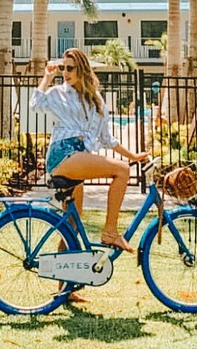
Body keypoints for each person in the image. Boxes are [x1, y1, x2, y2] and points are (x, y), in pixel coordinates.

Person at [30, 48, 149, 254]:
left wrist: (134, 156)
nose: (65, 73)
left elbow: (107, 139)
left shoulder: (96, 101)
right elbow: (35, 105)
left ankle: (65, 285)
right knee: (122, 171)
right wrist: (47, 77)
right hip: (63, 153)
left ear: (82, 69)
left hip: (78, 157)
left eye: (70, 68)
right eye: (63, 68)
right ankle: (110, 232)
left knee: (72, 226)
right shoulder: (59, 93)